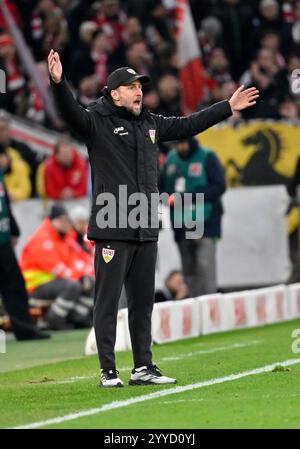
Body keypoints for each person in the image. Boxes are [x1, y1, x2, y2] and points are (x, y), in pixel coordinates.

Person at [48, 48, 259, 387]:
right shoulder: (96, 121)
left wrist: (226, 108)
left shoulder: (150, 122)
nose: (139, 91)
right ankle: (107, 370)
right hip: (113, 226)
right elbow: (70, 113)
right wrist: (58, 84)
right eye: (132, 87)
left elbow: (189, 124)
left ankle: (143, 367)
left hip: (145, 227)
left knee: (142, 303)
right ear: (115, 94)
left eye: (141, 87)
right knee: (106, 302)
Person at [162, 138, 226, 297]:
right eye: (176, 144)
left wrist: (188, 197)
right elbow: (162, 187)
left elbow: (219, 186)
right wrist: (165, 198)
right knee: (188, 269)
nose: (179, 147)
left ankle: (210, 306)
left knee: (205, 266)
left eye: (181, 143)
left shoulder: (207, 156)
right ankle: (194, 308)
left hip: (205, 220)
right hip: (180, 222)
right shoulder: (171, 159)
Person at [19, 204, 94, 330]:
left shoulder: (63, 238)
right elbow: (57, 268)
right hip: (33, 288)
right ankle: (54, 319)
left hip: (53, 283)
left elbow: (74, 262)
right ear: (52, 220)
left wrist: (84, 276)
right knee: (73, 285)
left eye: (67, 220)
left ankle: (78, 317)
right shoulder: (42, 239)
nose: (65, 224)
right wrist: (80, 278)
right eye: (61, 220)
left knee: (91, 282)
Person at [0, 168, 50, 340]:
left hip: (3, 240)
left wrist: (12, 229)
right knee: (13, 286)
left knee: (15, 287)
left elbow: (4, 202)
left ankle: (25, 329)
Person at [42, 135, 88, 200]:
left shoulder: (81, 164)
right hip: (56, 201)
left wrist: (73, 193)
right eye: (64, 154)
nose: (67, 157)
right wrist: (61, 194)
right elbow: (49, 191)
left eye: (69, 153)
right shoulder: (49, 167)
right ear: (57, 155)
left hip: (77, 201)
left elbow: (84, 188)